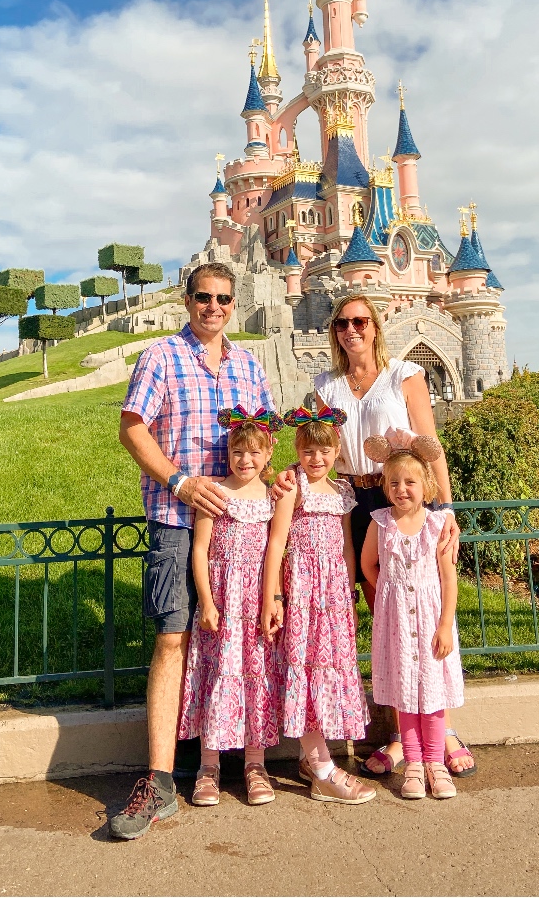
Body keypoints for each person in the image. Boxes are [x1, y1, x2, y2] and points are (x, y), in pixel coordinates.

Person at [109, 262, 276, 841]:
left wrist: (268, 482)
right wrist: (179, 481)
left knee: (243, 636)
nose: (213, 307)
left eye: (223, 299)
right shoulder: (161, 356)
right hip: (177, 517)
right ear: (187, 301)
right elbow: (133, 428)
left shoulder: (248, 366)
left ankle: (237, 758)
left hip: (239, 526)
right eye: (203, 297)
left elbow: (264, 438)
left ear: (234, 305)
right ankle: (158, 780)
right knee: (175, 635)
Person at [311, 292, 475, 780]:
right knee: (388, 616)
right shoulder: (327, 386)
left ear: (376, 326)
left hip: (401, 498)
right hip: (354, 503)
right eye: (342, 323)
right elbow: (320, 449)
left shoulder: (404, 375)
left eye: (360, 321)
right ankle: (404, 735)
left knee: (423, 609)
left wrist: (444, 507)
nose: (351, 330)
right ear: (335, 332)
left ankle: (441, 731)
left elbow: (432, 444)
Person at [261, 406, 376, 805]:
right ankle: (322, 766)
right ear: (297, 448)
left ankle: (313, 759)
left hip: (332, 598)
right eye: (309, 451)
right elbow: (276, 543)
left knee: (328, 669)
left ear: (336, 449)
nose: (317, 459)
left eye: (324, 451)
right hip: (303, 593)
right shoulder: (294, 486)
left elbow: (346, 546)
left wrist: (346, 590)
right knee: (307, 669)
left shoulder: (341, 491)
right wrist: (274, 595)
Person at [178, 407, 285, 808]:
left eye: (255, 453)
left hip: (255, 603)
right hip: (223, 601)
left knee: (257, 677)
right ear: (228, 454)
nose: (246, 461)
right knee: (218, 674)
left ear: (268, 455)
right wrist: (206, 601)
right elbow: (200, 551)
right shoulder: (215, 493)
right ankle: (210, 765)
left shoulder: (273, 497)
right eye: (238, 452)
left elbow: (277, 551)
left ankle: (255, 764)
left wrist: (272, 599)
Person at [360, 428, 465, 800]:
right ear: (385, 487)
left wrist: (444, 624)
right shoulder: (381, 522)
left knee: (432, 695)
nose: (401, 489)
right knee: (406, 695)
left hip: (431, 621)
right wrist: (390, 592)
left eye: (410, 482)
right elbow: (368, 565)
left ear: (426, 486)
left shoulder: (438, 525)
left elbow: (448, 579)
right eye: (394, 483)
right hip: (399, 625)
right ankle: (415, 765)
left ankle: (436, 762)